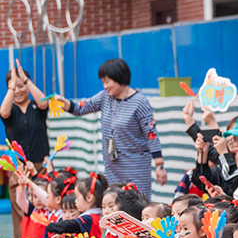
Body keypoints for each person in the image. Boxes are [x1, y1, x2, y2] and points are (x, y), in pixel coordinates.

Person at [56, 58, 166, 196]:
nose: (105, 86)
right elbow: (80, 108)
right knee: (114, 203)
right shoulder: (104, 98)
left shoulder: (140, 102)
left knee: (137, 203)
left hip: (136, 167)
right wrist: (64, 102)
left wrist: (159, 165)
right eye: (103, 82)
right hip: (112, 167)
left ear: (119, 77)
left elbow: (151, 135)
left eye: (107, 82)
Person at [1, 60, 49, 238]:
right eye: (14, 87)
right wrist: (12, 87)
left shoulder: (37, 107)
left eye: (22, 86)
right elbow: (3, 113)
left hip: (41, 166)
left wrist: (25, 80)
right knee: (21, 211)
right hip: (18, 169)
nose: (18, 90)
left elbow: (44, 102)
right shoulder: (9, 110)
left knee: (44, 207)